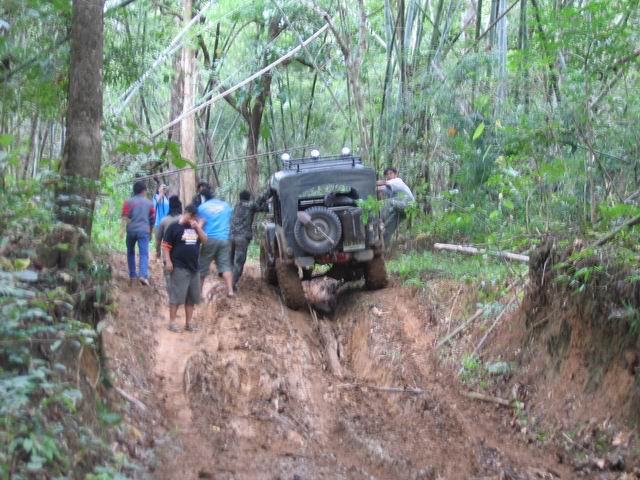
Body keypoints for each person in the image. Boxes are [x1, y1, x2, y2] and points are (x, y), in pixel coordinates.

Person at [162, 204, 207, 332]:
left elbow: (205, 240)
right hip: (179, 266)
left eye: (194, 216)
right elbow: (166, 246)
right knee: (176, 296)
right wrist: (168, 261)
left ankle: (189, 323)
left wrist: (197, 227)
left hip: (194, 267)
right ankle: (172, 323)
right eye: (190, 215)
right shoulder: (174, 227)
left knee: (191, 298)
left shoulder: (195, 227)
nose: (191, 218)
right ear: (184, 212)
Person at [196, 186, 234, 297]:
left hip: (209, 239)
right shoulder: (226, 206)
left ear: (203, 197)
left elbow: (199, 224)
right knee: (225, 265)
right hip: (224, 239)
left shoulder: (202, 208)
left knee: (202, 266)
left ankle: (199, 293)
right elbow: (229, 219)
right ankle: (230, 291)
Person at [230, 189, 270, 291]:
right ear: (248, 198)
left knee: (231, 261)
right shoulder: (250, 205)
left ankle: (229, 281)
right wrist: (270, 190)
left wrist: (266, 206)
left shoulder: (237, 205)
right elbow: (260, 202)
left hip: (231, 237)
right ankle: (231, 285)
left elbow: (260, 207)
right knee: (238, 263)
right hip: (241, 238)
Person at [122, 180, 156, 286]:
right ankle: (142, 275)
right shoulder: (150, 203)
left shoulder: (128, 202)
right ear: (144, 191)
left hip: (131, 231)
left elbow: (125, 217)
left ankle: (132, 276)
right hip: (144, 231)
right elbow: (152, 219)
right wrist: (150, 231)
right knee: (144, 253)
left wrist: (122, 231)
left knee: (130, 252)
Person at [155, 195, 182, 293]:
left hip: (168, 253)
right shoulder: (183, 219)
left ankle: (172, 294)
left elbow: (158, 239)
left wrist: (158, 252)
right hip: (181, 252)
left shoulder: (164, 221)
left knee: (169, 276)